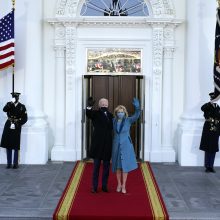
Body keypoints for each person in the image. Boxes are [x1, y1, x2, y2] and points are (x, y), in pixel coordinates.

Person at [111, 98, 140, 193]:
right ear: (116, 113)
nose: (120, 113)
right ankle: (119, 184)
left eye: (122, 112)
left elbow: (136, 116)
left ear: (125, 113)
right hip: (116, 146)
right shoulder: (113, 121)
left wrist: (137, 108)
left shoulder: (128, 120)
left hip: (126, 145)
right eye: (119, 112)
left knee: (125, 167)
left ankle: (124, 186)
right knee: (118, 167)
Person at [86, 97, 113, 193]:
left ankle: (104, 186)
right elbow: (88, 114)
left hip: (107, 145)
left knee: (106, 167)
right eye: (102, 104)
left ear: (108, 105)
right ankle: (94, 186)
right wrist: (89, 106)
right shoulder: (95, 114)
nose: (104, 105)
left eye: (106, 104)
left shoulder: (111, 116)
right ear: (99, 105)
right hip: (97, 144)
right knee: (96, 168)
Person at [0, 92, 28, 169]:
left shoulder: (22, 106)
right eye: (13, 97)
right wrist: (11, 103)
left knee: (15, 145)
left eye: (16, 97)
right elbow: (4, 110)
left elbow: (25, 118)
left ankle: (15, 163)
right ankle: (9, 163)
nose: (14, 99)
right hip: (8, 125)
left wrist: (19, 123)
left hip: (16, 125)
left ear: (18, 98)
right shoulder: (9, 104)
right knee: (8, 144)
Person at [200, 92, 220, 173]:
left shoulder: (218, 107)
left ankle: (211, 166)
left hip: (216, 129)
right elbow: (202, 108)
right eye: (213, 99)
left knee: (213, 148)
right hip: (208, 128)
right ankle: (207, 166)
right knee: (208, 147)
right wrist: (211, 103)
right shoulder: (207, 106)